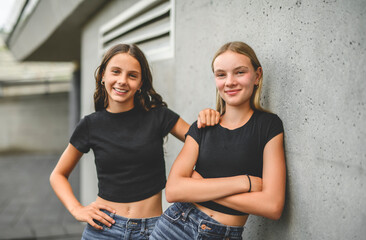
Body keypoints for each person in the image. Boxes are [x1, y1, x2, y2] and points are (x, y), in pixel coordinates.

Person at [49, 43, 219, 240]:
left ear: (140, 84)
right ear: (103, 76)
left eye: (132, 75)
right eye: (116, 72)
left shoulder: (158, 116)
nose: (122, 81)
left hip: (153, 230)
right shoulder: (90, 125)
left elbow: (205, 145)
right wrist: (77, 209)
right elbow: (58, 175)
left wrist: (208, 117)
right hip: (104, 229)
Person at [150, 41, 286, 240]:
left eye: (239, 72)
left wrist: (201, 186)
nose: (229, 82)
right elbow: (173, 190)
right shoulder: (202, 127)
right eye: (221, 74)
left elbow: (272, 206)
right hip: (175, 226)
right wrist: (244, 182)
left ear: (257, 76)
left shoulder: (268, 126)